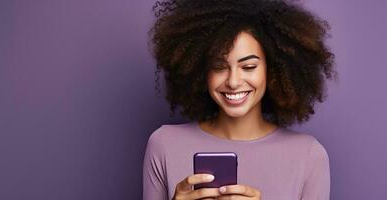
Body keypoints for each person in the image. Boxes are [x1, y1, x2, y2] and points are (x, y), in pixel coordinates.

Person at [143, 0, 336, 199]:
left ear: (273, 70)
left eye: (249, 67)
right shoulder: (164, 144)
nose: (233, 82)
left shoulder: (309, 156)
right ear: (202, 72)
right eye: (219, 66)